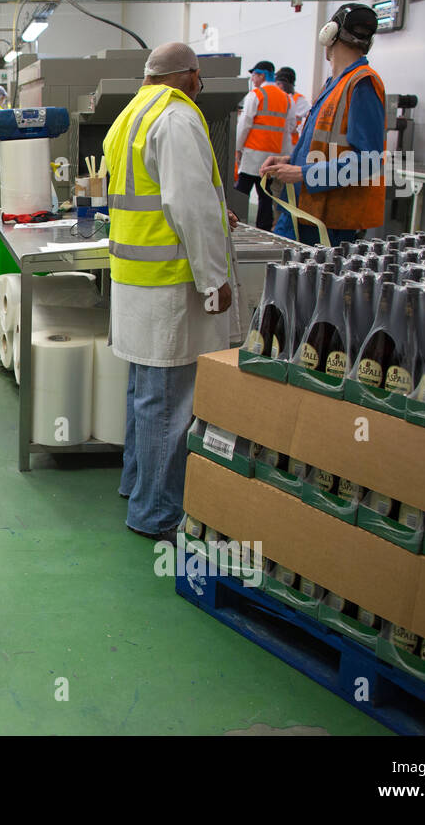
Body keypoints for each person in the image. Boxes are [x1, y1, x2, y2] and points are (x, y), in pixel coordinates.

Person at [104, 41, 242, 541]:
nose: (200, 87)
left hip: (134, 278)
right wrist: (214, 279)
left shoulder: (129, 117)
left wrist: (209, 211)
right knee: (168, 401)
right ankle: (157, 514)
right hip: (169, 283)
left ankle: (136, 485)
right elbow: (185, 202)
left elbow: (155, 195)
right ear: (188, 75)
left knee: (144, 392)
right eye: (200, 78)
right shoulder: (178, 118)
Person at [261, 3, 386, 246]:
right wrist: (289, 162)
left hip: (327, 224)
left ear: (329, 34)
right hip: (303, 212)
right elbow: (326, 145)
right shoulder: (335, 84)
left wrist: (302, 173)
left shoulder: (361, 84)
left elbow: (369, 160)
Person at [234, 59, 296, 231]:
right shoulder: (287, 98)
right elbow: (289, 127)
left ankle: (234, 224)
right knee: (266, 196)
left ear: (261, 76)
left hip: (253, 153)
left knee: (241, 192)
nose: (253, 79)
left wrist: (237, 148)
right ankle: (263, 230)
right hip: (272, 156)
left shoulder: (256, 95)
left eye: (254, 75)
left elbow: (245, 123)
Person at [276, 66, 311, 141]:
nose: (277, 86)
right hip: (278, 144)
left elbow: (310, 120)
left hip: (292, 145)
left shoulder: (299, 100)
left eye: (279, 83)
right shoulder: (277, 99)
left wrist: (298, 129)